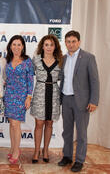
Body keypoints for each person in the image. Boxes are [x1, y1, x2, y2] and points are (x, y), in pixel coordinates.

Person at [58, 30, 99, 172]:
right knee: (67, 131)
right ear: (65, 43)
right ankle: (67, 156)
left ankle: (80, 160)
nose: (71, 44)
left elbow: (94, 81)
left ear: (79, 42)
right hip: (66, 99)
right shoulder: (63, 58)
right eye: (68, 41)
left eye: (73, 41)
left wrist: (94, 101)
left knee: (81, 133)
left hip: (81, 101)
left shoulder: (88, 57)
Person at [30, 34, 63, 163]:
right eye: (46, 45)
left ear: (55, 47)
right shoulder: (36, 60)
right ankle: (36, 151)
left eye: (51, 45)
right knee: (39, 124)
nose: (49, 47)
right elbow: (29, 75)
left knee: (49, 123)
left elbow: (61, 77)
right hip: (40, 94)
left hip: (53, 94)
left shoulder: (60, 61)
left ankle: (45, 150)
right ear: (42, 46)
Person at [4, 35, 34, 164]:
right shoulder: (8, 60)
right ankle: (13, 147)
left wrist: (29, 97)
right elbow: (6, 78)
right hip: (9, 95)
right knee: (12, 124)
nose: (16, 47)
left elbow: (30, 80)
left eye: (19, 44)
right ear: (10, 46)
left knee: (16, 125)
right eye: (14, 44)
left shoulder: (27, 61)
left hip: (21, 96)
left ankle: (17, 151)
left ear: (23, 47)